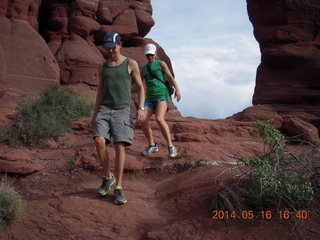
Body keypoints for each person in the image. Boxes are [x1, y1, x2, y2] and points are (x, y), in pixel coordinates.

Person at [91, 32, 145, 205]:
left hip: (122, 109)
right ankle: (108, 177)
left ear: (120, 44)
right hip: (105, 109)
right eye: (108, 48)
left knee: (119, 146)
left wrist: (141, 108)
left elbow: (140, 88)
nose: (111, 51)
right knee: (99, 141)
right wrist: (94, 113)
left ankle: (119, 187)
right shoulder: (103, 67)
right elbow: (100, 90)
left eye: (113, 47)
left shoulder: (131, 64)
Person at [141, 43, 181, 158]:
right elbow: (138, 83)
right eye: (147, 55)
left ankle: (171, 146)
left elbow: (170, 77)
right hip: (149, 98)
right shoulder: (143, 69)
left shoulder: (161, 64)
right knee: (143, 120)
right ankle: (152, 145)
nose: (149, 57)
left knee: (159, 118)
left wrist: (177, 90)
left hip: (161, 96)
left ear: (155, 54)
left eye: (151, 55)